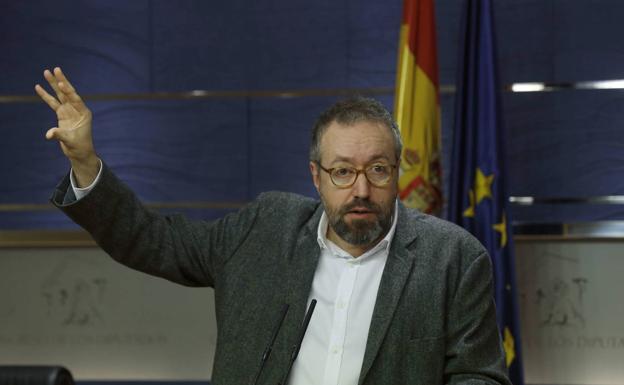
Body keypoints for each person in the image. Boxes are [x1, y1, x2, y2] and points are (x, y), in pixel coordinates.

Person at [36, 67, 511, 385]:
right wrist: (85, 162)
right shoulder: (263, 230)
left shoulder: (452, 258)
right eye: (343, 171)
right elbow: (152, 241)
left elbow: (480, 377)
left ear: (397, 173)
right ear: (316, 177)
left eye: (378, 170)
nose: (361, 190)